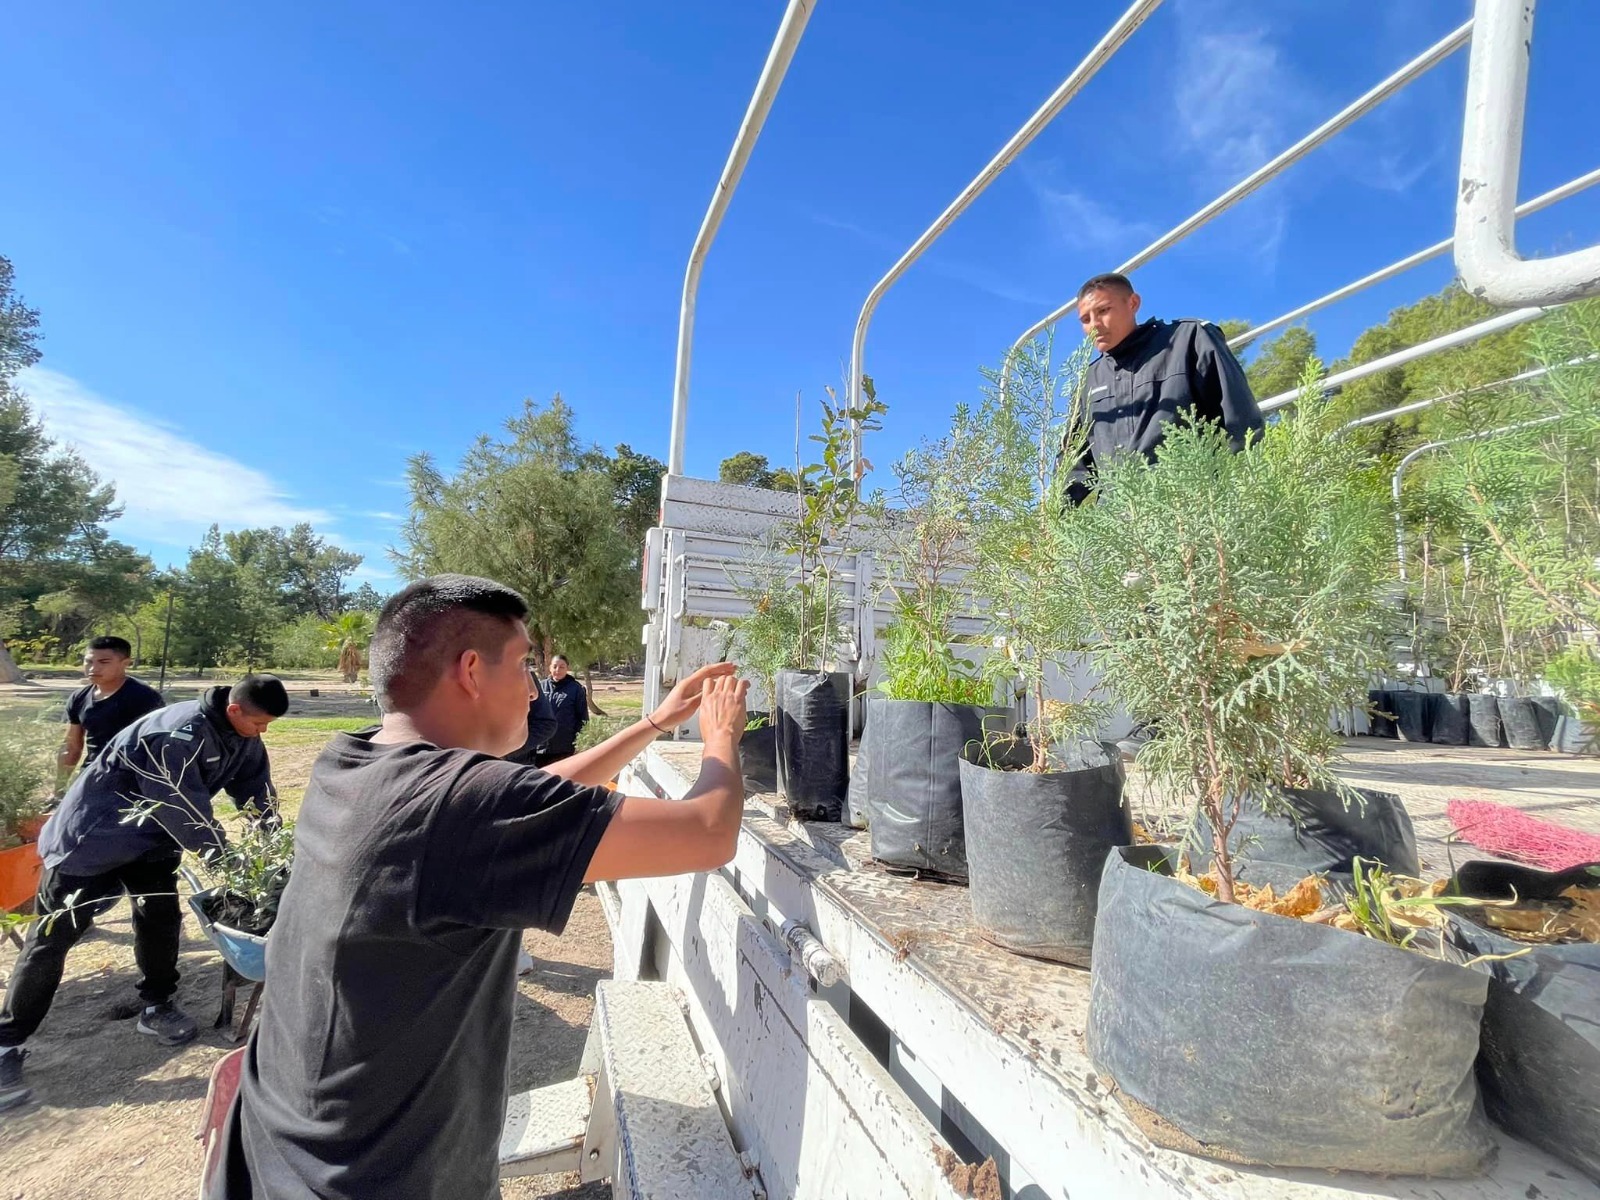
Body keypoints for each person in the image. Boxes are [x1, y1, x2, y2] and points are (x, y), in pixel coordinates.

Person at [211, 574, 747, 1200]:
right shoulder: (460, 808)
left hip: (277, 1147)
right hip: (371, 1181)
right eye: (522, 665)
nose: (534, 688)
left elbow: (531, 797)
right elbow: (708, 832)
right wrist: (720, 737)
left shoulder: (351, 760)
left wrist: (653, 722)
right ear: (471, 671)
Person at [0, 675, 287, 1111]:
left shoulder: (242, 734)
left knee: (160, 919)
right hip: (92, 841)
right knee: (52, 939)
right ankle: (7, 1042)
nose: (262, 731)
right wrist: (226, 860)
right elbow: (181, 807)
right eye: (259, 723)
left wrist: (272, 841)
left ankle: (157, 1005)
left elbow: (256, 790)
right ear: (234, 710)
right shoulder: (172, 736)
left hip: (151, 842)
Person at [1063, 272, 1264, 505]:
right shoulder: (1088, 381)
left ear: (1133, 303)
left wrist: (1240, 499)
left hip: (1189, 507)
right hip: (1118, 518)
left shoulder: (1188, 340)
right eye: (1085, 319)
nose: (1094, 325)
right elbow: (1075, 463)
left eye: (1103, 310)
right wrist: (1054, 516)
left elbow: (1241, 421)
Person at [57, 635, 166, 789]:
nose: (93, 668)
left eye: (104, 662)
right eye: (89, 662)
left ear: (125, 663)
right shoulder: (79, 697)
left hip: (133, 780)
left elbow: (159, 747)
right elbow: (72, 746)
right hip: (92, 774)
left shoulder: (144, 697)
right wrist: (59, 788)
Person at [534, 652, 588, 765]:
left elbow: (583, 719)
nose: (557, 670)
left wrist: (580, 743)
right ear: (550, 668)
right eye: (554, 666)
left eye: (562, 667)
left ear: (567, 668)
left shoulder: (576, 689)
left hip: (564, 747)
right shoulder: (540, 687)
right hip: (541, 747)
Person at [502, 669, 557, 767]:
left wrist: (507, 751)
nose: (533, 693)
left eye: (525, 663)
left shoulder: (527, 677)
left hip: (516, 765)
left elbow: (546, 724)